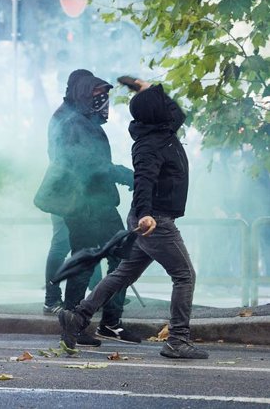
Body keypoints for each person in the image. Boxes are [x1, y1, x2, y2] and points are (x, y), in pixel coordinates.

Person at [58, 80, 208, 359]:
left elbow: (179, 114)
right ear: (155, 112)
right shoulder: (149, 144)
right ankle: (177, 340)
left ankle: (77, 318)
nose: (168, 106)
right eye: (161, 101)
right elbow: (143, 182)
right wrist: (145, 213)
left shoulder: (163, 130)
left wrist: (147, 87)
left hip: (151, 219)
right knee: (184, 275)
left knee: (123, 273)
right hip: (155, 221)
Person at [35, 69, 137, 346]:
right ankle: (95, 322)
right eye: (97, 96)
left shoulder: (80, 122)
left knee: (93, 263)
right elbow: (92, 166)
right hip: (88, 208)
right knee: (112, 262)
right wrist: (128, 176)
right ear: (82, 95)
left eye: (104, 96)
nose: (103, 102)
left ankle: (84, 323)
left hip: (93, 205)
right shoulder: (73, 124)